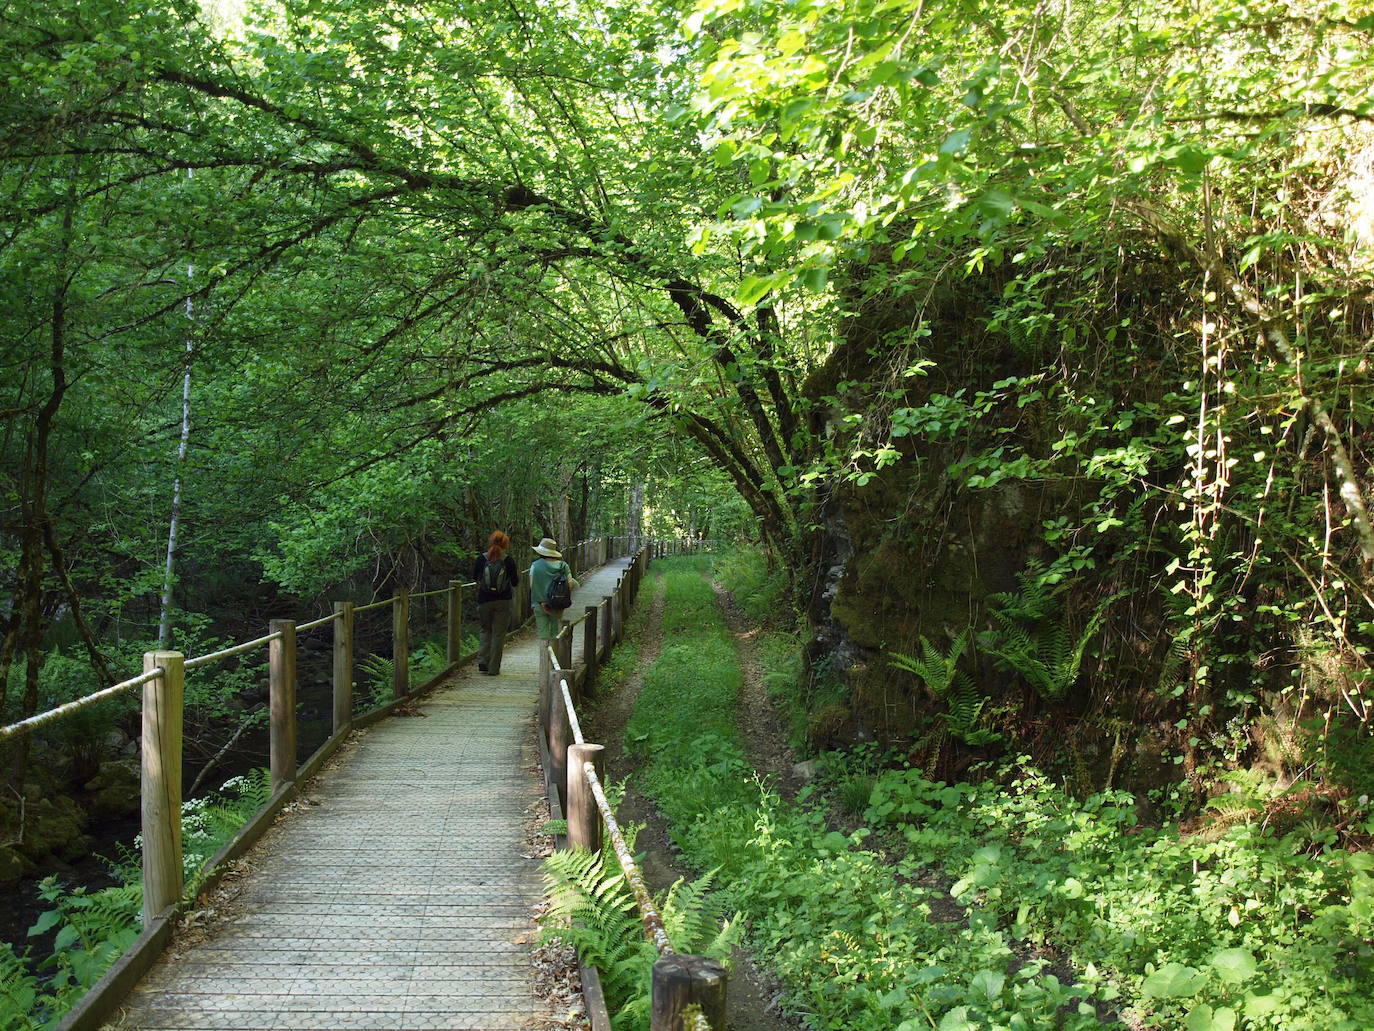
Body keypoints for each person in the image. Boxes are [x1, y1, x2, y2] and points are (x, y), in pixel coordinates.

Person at [474, 530, 519, 675]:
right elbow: (515, 582)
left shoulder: (481, 559)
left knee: (485, 630)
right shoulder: (508, 560)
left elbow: (475, 577)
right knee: (498, 634)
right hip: (503, 601)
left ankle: (483, 661)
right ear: (505, 544)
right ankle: (493, 668)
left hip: (484, 600)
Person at [530, 537, 578, 641]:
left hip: (539, 604)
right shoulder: (563, 565)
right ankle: (555, 654)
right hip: (557, 604)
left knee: (543, 634)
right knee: (556, 632)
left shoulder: (535, 566)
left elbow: (531, 585)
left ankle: (545, 655)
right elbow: (570, 584)